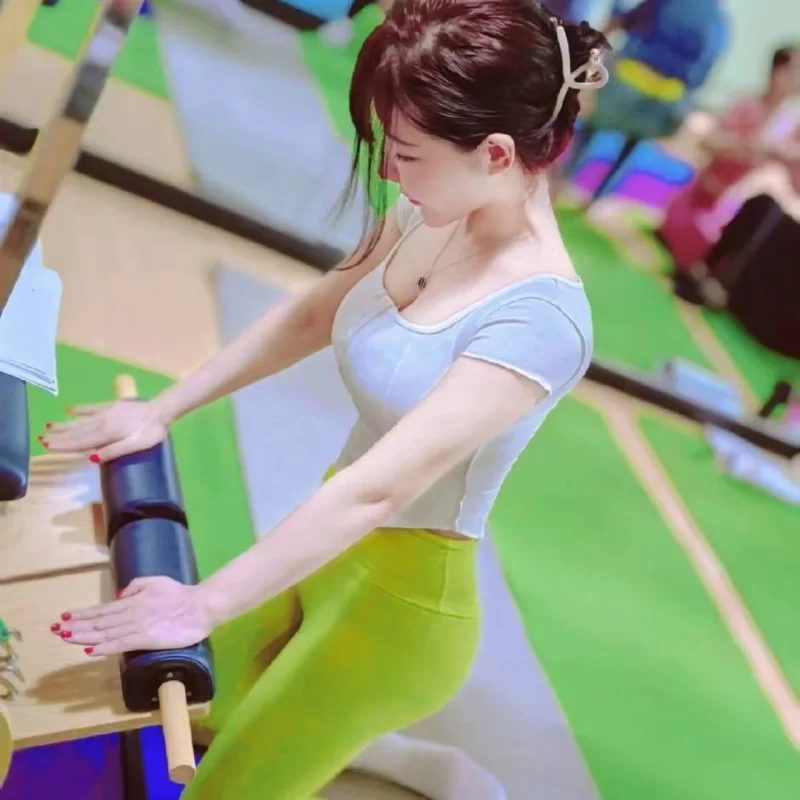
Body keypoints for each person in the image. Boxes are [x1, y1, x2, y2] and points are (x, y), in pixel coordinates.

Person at [40, 1, 609, 797]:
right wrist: (160, 411)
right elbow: (314, 313)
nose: (389, 174)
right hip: (325, 544)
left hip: (399, 609)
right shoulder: (433, 209)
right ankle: (408, 765)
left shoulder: (541, 323)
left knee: (222, 785)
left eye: (405, 153)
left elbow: (379, 491)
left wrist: (201, 603)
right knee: (173, 702)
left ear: (496, 153)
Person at [555, 0, 730, 207]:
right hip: (666, 101)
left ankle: (562, 181)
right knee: (632, 145)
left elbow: (628, 21)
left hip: (626, 84)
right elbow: (702, 74)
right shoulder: (720, 25)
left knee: (591, 129)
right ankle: (597, 199)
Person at [659, 45, 800, 272]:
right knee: (702, 248)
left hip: (733, 211)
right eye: (794, 71)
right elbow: (709, 143)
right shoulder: (747, 105)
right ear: (776, 72)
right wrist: (750, 146)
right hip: (701, 199)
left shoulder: (788, 124)